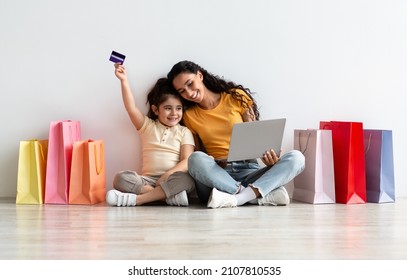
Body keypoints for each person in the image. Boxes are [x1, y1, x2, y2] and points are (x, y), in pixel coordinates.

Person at [167, 60, 305, 208]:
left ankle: (237, 198)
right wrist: (215, 161)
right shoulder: (189, 115)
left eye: (190, 83)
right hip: (217, 175)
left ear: (199, 75)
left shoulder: (236, 97)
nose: (188, 93)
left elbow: (255, 140)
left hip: (248, 169)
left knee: (297, 158)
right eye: (181, 91)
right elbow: (199, 154)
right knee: (195, 159)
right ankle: (251, 195)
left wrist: (269, 159)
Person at [106, 63, 195, 207]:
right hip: (147, 181)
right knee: (120, 178)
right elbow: (130, 108)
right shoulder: (147, 126)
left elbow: (187, 161)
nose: (174, 113)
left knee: (188, 180)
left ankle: (137, 200)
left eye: (178, 108)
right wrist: (123, 80)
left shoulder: (184, 131)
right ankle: (164, 197)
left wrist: (167, 175)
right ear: (155, 110)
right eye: (167, 108)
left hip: (172, 178)